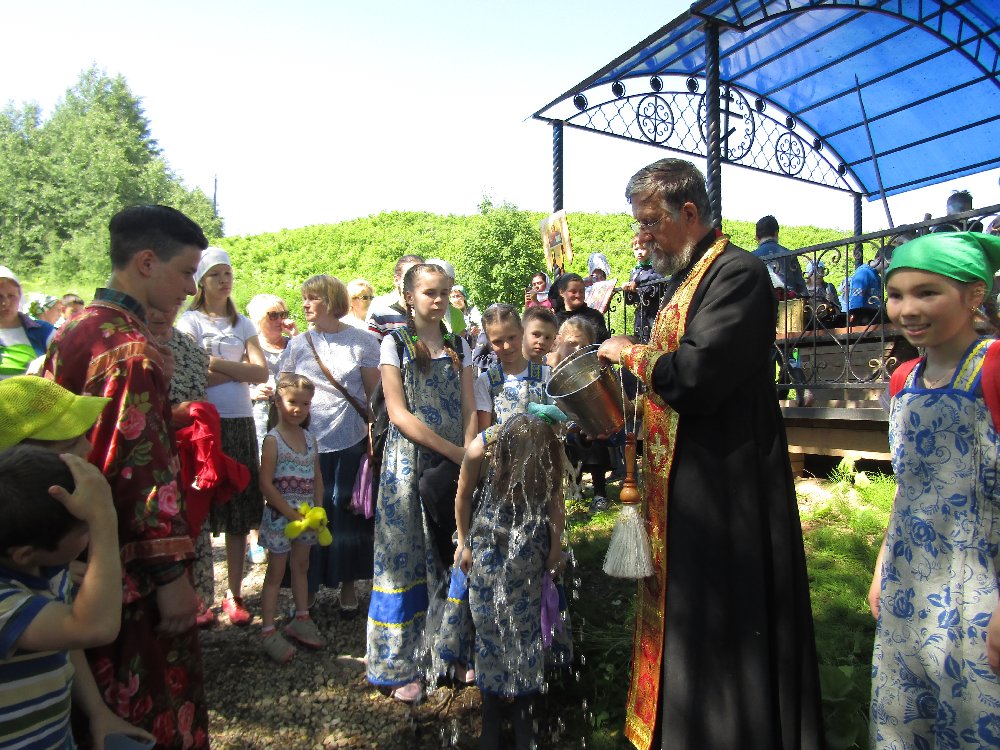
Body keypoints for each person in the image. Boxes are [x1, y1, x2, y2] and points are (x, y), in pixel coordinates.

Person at [596, 159, 822, 750]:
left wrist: (630, 354)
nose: (641, 236)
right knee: (688, 616)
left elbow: (695, 375)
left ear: (689, 212)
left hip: (724, 481)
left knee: (724, 623)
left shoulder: (738, 273)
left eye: (650, 222)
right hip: (686, 482)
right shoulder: (686, 277)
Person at [43, 203, 212, 749]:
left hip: (72, 550)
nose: (191, 288)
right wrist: (171, 578)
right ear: (146, 262)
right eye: (186, 272)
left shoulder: (76, 328)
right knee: (147, 714)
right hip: (125, 570)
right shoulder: (129, 349)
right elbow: (138, 472)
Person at [868, 231, 1000, 748]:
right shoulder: (903, 379)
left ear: (974, 295)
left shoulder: (994, 369)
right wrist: (883, 568)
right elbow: (909, 489)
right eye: (896, 294)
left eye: (927, 292)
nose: (908, 309)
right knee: (907, 719)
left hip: (983, 584)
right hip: (911, 580)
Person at [366, 263, 476, 703]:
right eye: (431, 292)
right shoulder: (394, 343)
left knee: (454, 549)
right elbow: (397, 413)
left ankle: (452, 651)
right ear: (409, 297)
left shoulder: (459, 344)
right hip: (410, 461)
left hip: (456, 460)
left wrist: (470, 451)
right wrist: (454, 452)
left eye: (445, 292)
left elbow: (469, 405)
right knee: (407, 554)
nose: (440, 300)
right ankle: (399, 663)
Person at [0, 446, 155, 750]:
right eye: (84, 530)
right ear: (24, 554)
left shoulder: (47, 569)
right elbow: (92, 627)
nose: (91, 535)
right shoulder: (5, 603)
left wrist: (98, 712)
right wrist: (103, 518)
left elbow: (65, 642)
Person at [461, 415, 568, 750]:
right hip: (488, 552)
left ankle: (524, 711)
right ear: (502, 459)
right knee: (488, 625)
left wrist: (555, 550)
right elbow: (463, 496)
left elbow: (556, 503)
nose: (522, 488)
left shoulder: (546, 453)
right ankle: (491, 712)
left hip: (528, 558)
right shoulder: (481, 450)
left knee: (526, 630)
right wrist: (463, 543)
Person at [277, 274, 380, 616]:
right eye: (304, 297)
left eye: (313, 298)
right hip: (307, 444)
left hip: (351, 441)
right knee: (307, 513)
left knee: (346, 515)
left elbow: (374, 399)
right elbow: (283, 392)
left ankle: (348, 586)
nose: (305, 304)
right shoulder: (297, 345)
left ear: (332, 301)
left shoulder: (362, 341)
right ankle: (306, 588)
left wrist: (372, 441)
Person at [177, 247, 269, 627]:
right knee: (200, 507)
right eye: (215, 274)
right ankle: (199, 596)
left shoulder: (242, 323)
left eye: (227, 273)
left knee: (238, 510)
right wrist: (238, 369)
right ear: (202, 280)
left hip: (240, 419)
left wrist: (214, 363)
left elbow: (261, 373)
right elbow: (192, 374)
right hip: (204, 423)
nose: (223, 280)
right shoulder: (190, 321)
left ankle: (234, 593)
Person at [147, 303, 217, 627]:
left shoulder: (186, 345)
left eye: (168, 308)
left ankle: (196, 604)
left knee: (195, 524)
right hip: (153, 458)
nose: (163, 312)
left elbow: (203, 387)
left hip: (192, 454)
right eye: (155, 307)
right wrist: (170, 414)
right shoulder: (134, 345)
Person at [257, 373, 326, 663]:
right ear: (278, 401)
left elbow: (317, 477)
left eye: (305, 404)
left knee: (301, 566)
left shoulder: (310, 439)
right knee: (276, 572)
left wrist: (319, 509)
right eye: (292, 402)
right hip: (280, 518)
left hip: (307, 518)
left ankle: (301, 616)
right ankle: (267, 629)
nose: (299, 409)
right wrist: (288, 513)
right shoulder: (273, 440)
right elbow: (265, 483)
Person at [0, 266, 55, 379]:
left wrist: (44, 360)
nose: (5, 303)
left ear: (19, 296)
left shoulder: (43, 331)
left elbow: (66, 359)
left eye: (11, 296)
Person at [366, 254, 425, 342]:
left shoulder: (432, 315)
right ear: (397, 280)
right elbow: (372, 349)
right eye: (410, 277)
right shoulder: (381, 318)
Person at [622, 234, 665, 344]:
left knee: (653, 342)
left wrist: (638, 281)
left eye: (643, 248)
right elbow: (629, 301)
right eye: (636, 249)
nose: (639, 252)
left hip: (654, 314)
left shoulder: (656, 267)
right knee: (640, 342)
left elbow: (657, 279)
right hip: (640, 316)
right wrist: (626, 290)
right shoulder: (634, 271)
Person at [753, 215, 808, 299]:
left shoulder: (751, 257)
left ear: (757, 237)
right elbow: (800, 285)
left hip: (761, 302)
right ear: (776, 233)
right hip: (788, 303)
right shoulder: (789, 254)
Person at [553, 273, 610, 344]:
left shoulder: (594, 316)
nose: (578, 295)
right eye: (573, 292)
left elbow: (601, 344)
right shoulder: (555, 320)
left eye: (581, 291)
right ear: (561, 292)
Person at [425, 258, 467, 336]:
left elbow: (460, 341)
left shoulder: (457, 314)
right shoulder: (414, 314)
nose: (439, 296)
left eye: (448, 288)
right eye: (432, 291)